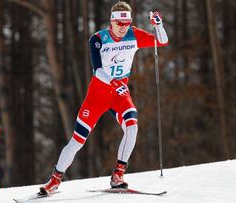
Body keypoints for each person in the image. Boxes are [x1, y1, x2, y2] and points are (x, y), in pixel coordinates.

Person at [39, 0, 168, 195]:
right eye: (119, 24)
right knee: (77, 141)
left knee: (132, 126)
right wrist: (115, 83)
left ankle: (118, 174)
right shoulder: (98, 39)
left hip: (119, 96)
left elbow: (162, 41)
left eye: (127, 24)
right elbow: (97, 70)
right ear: (112, 21)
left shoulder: (134, 35)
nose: (123, 28)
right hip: (97, 96)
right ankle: (55, 179)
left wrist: (159, 25)